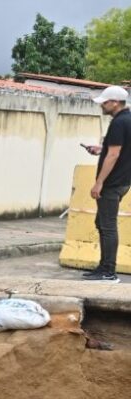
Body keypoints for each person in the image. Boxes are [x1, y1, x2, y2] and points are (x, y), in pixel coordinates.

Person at [82, 85, 131, 282]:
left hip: (112, 183)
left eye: (105, 102)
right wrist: (101, 149)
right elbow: (118, 150)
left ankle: (108, 271)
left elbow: (114, 154)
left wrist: (99, 182)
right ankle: (104, 267)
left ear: (115, 103)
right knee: (102, 223)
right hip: (123, 181)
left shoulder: (118, 123)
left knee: (108, 226)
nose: (102, 105)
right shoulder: (128, 120)